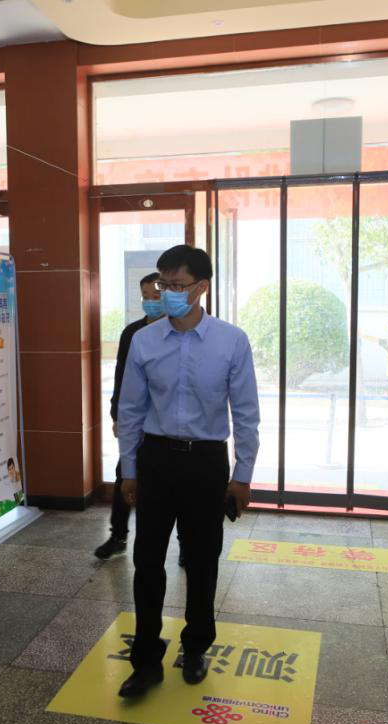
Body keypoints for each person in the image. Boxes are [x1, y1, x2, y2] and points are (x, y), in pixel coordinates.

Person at [115, 244, 260, 698]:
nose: (167, 293)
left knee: (201, 560)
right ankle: (145, 660)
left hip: (206, 462)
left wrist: (242, 475)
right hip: (156, 459)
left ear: (201, 288)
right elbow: (131, 409)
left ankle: (195, 646)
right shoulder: (144, 341)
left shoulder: (231, 341)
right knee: (147, 561)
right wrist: (129, 469)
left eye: (176, 285)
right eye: (163, 284)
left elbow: (246, 414)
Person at [94, 272, 176, 562]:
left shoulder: (178, 330)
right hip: (137, 420)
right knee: (124, 475)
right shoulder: (132, 333)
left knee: (175, 484)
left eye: (156, 295)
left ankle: (184, 545)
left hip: (168, 424)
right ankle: (118, 535)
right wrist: (117, 414)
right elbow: (121, 377)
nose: (151, 301)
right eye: (145, 296)